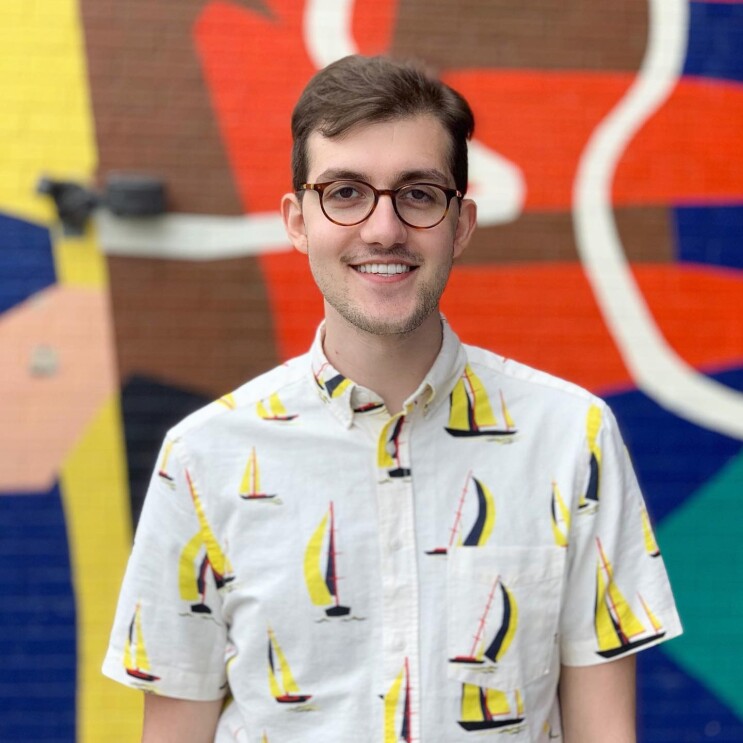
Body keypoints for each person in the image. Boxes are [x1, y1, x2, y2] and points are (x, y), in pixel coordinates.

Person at [103, 55, 682, 742]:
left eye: (417, 193)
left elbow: (604, 730)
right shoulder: (204, 456)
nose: (383, 229)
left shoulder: (569, 437)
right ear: (296, 221)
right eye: (345, 192)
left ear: (460, 224)